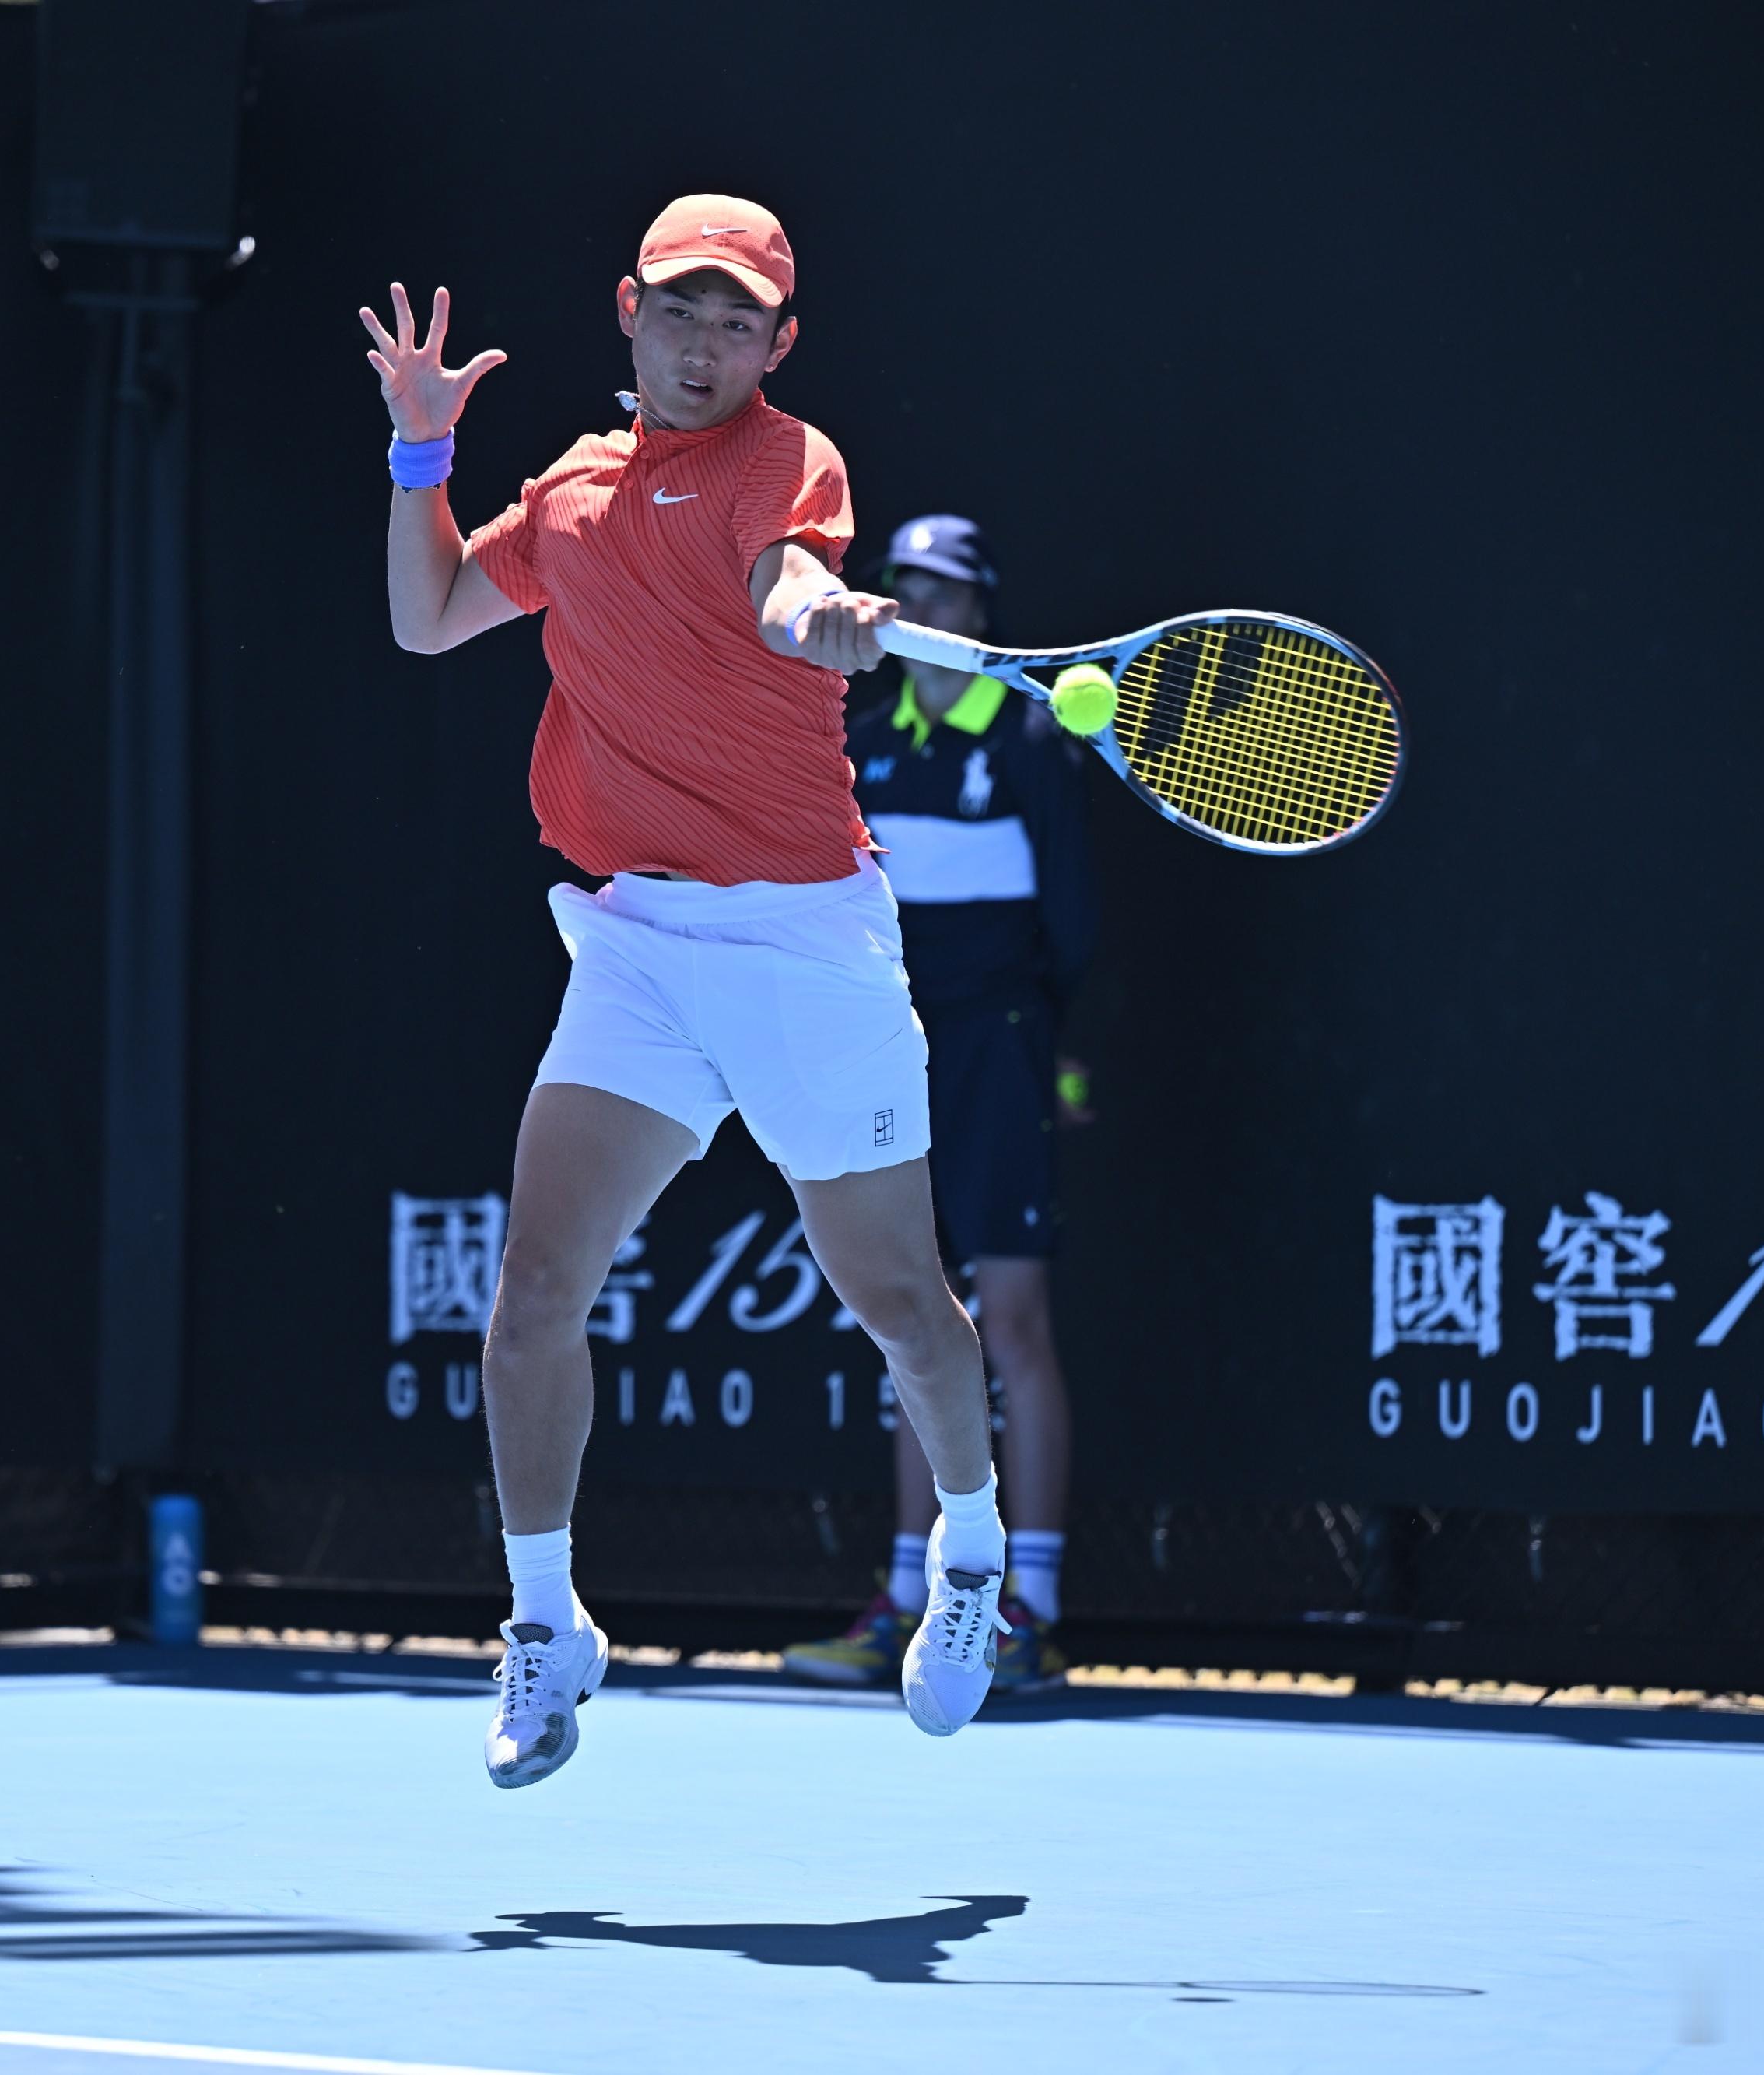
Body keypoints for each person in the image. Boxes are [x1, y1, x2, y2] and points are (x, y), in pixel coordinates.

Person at [359, 195, 1011, 1788]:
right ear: (627, 313)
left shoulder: (789, 463)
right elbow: (428, 618)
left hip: (806, 943)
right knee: (532, 1289)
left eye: (737, 322)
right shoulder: (573, 489)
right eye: (679, 312)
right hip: (642, 940)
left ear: (778, 343)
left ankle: (973, 1554)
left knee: (903, 1306)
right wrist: (422, 455)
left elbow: (783, 588)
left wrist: (821, 617)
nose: (704, 344)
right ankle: (543, 1625)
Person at [782, 515, 1097, 1697]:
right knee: (913, 1319)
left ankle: (1031, 1609)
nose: (921, 614)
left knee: (1011, 1326)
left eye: (945, 594)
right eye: (903, 592)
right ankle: (910, 1603)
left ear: (980, 614)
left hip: (1002, 1058)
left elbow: (1074, 920)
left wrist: (1067, 1060)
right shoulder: (858, 744)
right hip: (890, 1055)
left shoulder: (1030, 740)